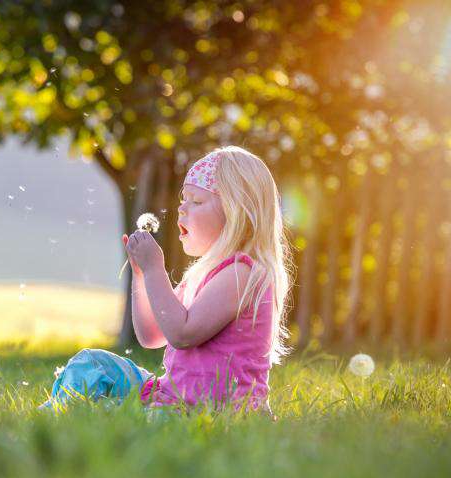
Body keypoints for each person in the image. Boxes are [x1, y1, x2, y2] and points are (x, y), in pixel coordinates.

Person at [39, 146, 292, 413]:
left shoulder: (243, 273)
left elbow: (182, 334)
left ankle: (62, 420)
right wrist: (141, 277)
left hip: (211, 411)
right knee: (92, 363)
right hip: (173, 397)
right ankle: (51, 415)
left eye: (196, 201)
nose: (182, 209)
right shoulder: (204, 274)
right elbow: (152, 336)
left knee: (112, 414)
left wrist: (154, 270)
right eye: (184, 199)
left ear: (236, 212)